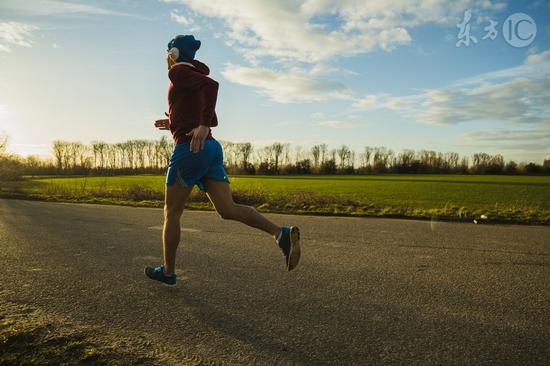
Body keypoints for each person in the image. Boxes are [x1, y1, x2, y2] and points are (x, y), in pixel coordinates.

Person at [145, 35, 301, 286]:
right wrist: (177, 123)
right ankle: (279, 234)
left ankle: (168, 271)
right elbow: (212, 117)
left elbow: (212, 87)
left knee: (171, 212)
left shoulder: (177, 73)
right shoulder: (193, 75)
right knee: (227, 210)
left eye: (168, 53)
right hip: (211, 149)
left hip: (189, 150)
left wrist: (201, 125)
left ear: (173, 53)